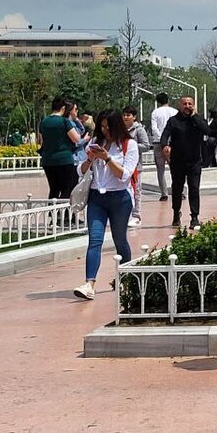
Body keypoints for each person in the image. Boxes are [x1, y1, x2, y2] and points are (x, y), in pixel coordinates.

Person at [73, 110, 138, 300]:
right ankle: (89, 283)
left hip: (119, 198)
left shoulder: (128, 145)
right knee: (95, 240)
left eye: (108, 128)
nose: (105, 131)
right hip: (97, 198)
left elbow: (124, 175)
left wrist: (107, 158)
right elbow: (80, 170)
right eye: (102, 127)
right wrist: (90, 159)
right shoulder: (97, 143)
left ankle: (126, 278)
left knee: (120, 240)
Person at [160, 95, 208, 229]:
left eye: (190, 104)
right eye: (184, 104)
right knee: (177, 189)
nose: (187, 106)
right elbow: (165, 135)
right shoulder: (173, 121)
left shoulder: (198, 120)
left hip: (194, 161)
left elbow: (207, 131)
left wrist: (194, 117)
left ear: (193, 106)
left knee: (194, 188)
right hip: (177, 161)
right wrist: (164, 146)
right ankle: (176, 213)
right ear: (180, 106)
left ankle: (194, 217)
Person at [38, 96, 81, 200]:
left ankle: (52, 213)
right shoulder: (64, 121)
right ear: (63, 109)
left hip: (48, 161)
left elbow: (41, 141)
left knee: (54, 189)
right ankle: (64, 214)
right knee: (66, 189)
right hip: (64, 160)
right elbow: (76, 139)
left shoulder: (44, 122)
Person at [121, 106, 151, 228]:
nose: (126, 117)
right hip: (122, 165)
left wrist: (131, 146)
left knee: (136, 190)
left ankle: (136, 215)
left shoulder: (139, 130)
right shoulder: (121, 129)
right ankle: (125, 215)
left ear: (134, 117)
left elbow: (146, 145)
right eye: (124, 115)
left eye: (128, 115)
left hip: (135, 166)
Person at [149, 93, 176, 202]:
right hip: (172, 142)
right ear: (167, 100)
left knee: (160, 169)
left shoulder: (155, 112)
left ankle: (164, 193)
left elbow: (154, 128)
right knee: (175, 168)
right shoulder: (174, 111)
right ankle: (180, 191)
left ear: (158, 101)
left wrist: (161, 139)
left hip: (158, 143)